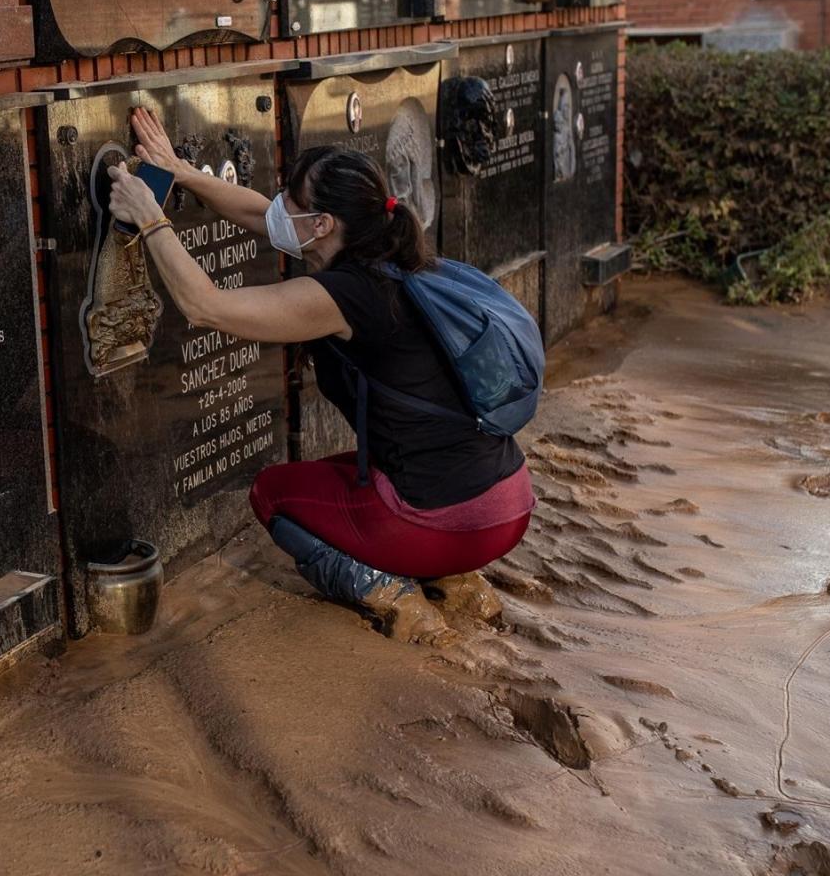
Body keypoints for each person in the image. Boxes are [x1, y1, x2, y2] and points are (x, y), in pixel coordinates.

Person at [106, 108, 535, 644]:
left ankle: (397, 596)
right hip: (508, 500)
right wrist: (179, 171)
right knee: (351, 472)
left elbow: (205, 307)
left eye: (292, 196)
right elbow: (262, 216)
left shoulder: (346, 296)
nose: (278, 201)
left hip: (450, 520)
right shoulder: (394, 260)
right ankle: (456, 583)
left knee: (273, 494)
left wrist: (150, 218)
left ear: (323, 225)